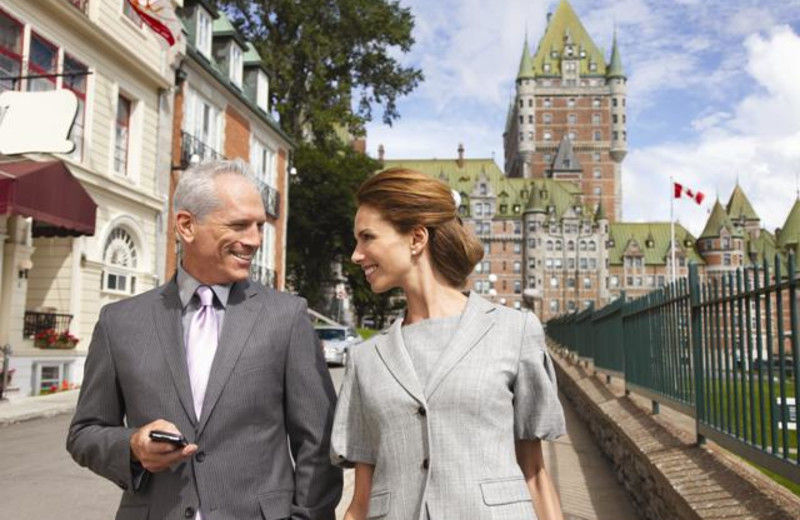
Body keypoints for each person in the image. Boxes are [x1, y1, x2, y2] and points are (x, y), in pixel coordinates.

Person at [67, 159, 342, 520]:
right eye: (240, 225)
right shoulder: (119, 322)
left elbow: (318, 444)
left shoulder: (286, 317)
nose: (255, 240)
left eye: (259, 226)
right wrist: (131, 447)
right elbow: (85, 433)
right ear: (186, 225)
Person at [332, 168, 566, 520]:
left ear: (416, 238)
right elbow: (361, 503)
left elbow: (534, 474)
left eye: (367, 238)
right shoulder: (366, 358)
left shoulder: (514, 331)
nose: (356, 254)